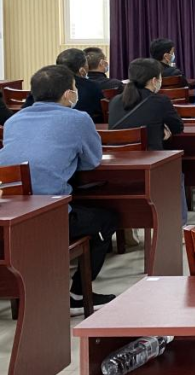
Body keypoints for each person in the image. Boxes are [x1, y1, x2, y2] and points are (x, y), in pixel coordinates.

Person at [0, 65, 117, 312]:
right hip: (49, 216)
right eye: (74, 88)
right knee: (106, 220)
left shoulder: (13, 121)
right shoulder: (78, 119)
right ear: (67, 94)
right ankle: (78, 293)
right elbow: (92, 161)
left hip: (10, 213)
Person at [109, 58, 184, 150]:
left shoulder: (114, 101)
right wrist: (161, 132)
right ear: (154, 80)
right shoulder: (160, 101)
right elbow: (178, 128)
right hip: (149, 156)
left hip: (117, 156)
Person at [23, 48, 105, 122]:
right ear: (81, 69)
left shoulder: (43, 83)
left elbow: (26, 109)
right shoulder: (92, 87)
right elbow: (102, 116)